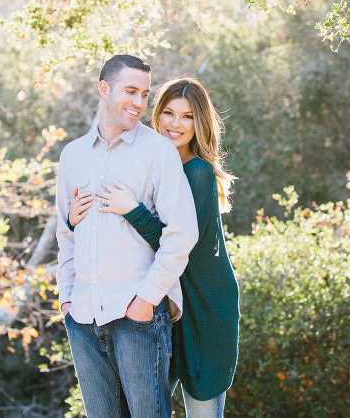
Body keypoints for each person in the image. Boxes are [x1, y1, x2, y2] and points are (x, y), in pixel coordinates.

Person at [71, 77, 240, 418]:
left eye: (188, 116)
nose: (175, 124)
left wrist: (132, 210)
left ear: (200, 122)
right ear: (156, 115)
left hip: (204, 307)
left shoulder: (197, 173)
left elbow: (177, 241)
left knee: (203, 412)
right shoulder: (152, 163)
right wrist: (75, 219)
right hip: (167, 302)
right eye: (168, 113)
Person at [55, 55, 198, 418]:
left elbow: (182, 234)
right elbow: (65, 233)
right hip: (84, 318)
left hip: (139, 318)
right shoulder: (72, 156)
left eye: (145, 94)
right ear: (104, 89)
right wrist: (67, 301)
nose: (139, 103)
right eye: (130, 91)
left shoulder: (158, 152)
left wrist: (146, 301)